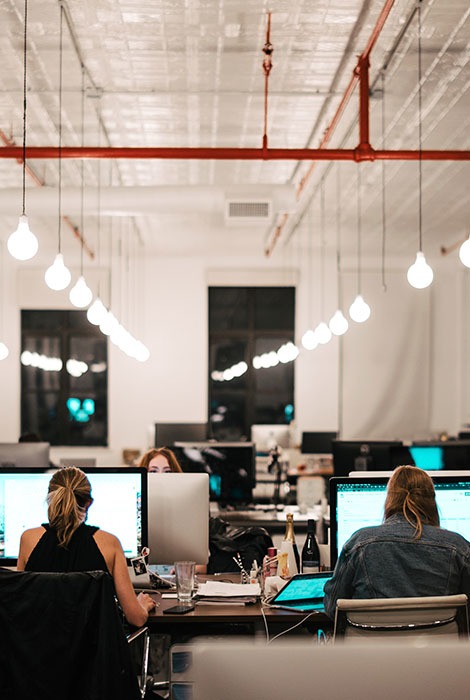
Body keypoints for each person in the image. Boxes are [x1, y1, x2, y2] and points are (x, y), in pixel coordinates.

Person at [323, 465, 470, 619]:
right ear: (432, 502)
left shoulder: (359, 543)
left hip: (372, 642)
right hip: (440, 642)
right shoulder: (459, 548)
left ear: (390, 499)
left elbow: (333, 607)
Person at [17, 467, 156, 627]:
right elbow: (136, 618)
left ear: (50, 499)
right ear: (88, 503)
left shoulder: (28, 539)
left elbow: (18, 605)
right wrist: (142, 605)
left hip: (38, 649)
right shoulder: (109, 543)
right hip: (94, 651)